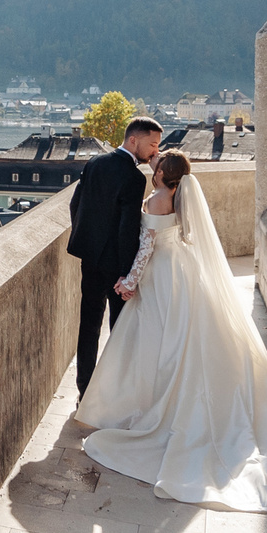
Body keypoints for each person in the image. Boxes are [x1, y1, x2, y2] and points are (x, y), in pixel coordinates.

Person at [75, 150, 267, 510]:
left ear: (160, 175)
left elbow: (145, 248)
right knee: (182, 335)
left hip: (159, 273)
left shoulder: (157, 200)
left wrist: (129, 282)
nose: (152, 163)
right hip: (181, 271)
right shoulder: (182, 197)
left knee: (157, 340)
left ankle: (149, 407)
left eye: (156, 163)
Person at [65, 117, 162, 394]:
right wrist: (127, 273)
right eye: (152, 144)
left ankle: (84, 392)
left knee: (89, 327)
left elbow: (76, 204)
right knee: (120, 331)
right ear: (134, 140)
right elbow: (127, 228)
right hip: (116, 266)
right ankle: (113, 394)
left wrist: (85, 242)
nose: (155, 150)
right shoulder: (133, 177)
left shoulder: (95, 163)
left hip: (90, 259)